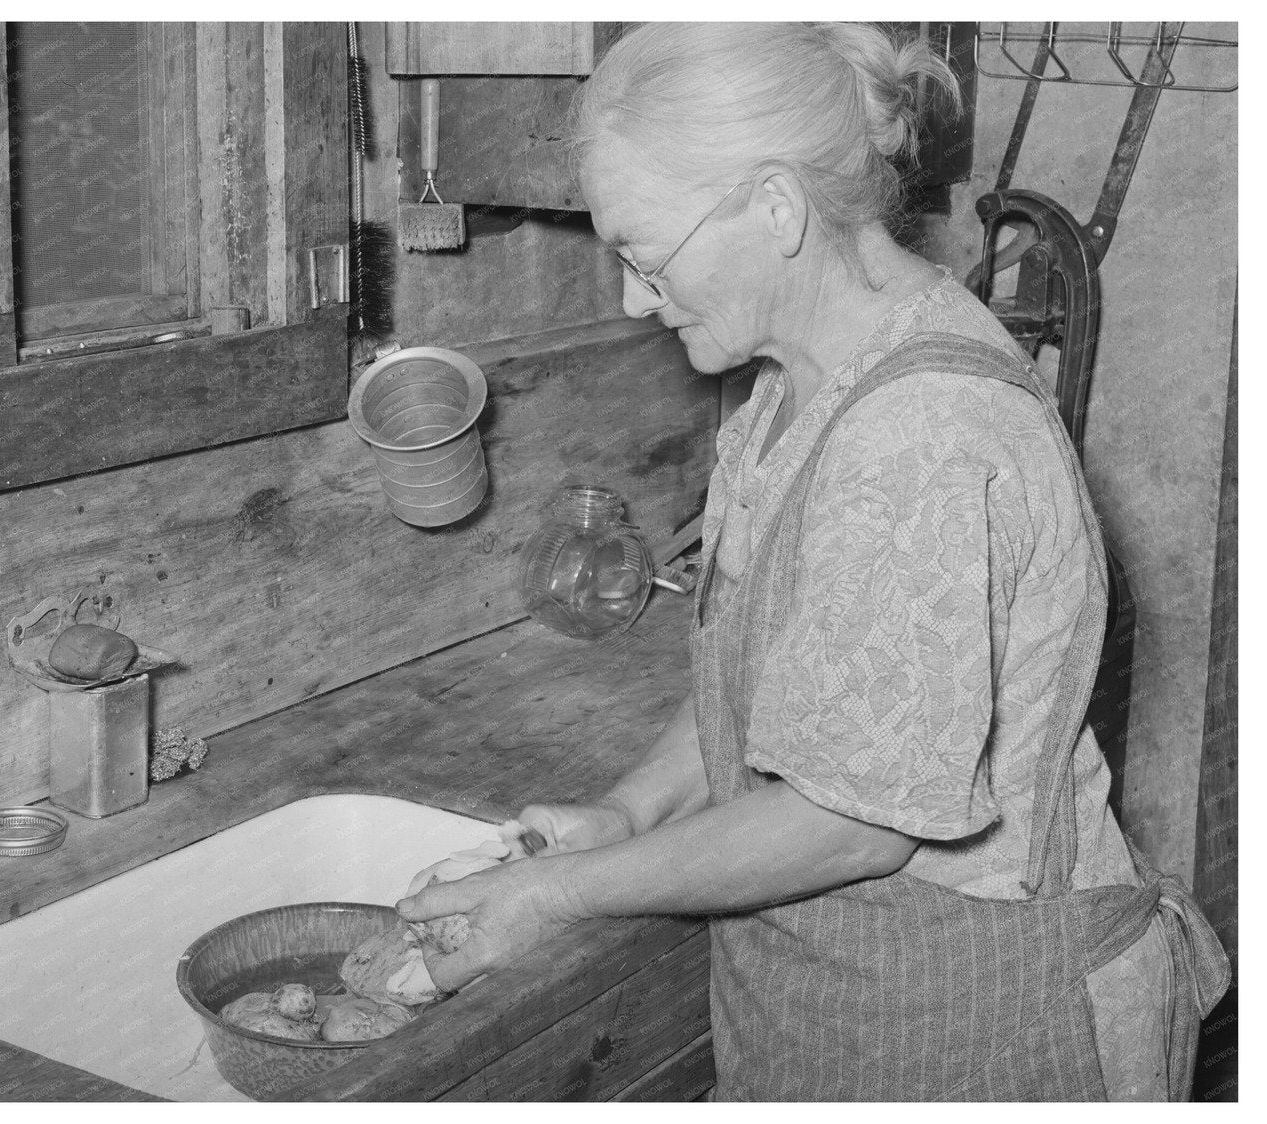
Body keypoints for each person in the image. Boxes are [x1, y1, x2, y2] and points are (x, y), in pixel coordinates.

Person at [397, 22, 1228, 1101]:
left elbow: (848, 821)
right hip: (837, 1008)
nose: (633, 299)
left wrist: (557, 894)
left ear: (777, 209)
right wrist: (630, 812)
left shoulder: (924, 437)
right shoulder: (795, 382)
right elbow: (767, 669)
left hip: (983, 1029)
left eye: (645, 253)